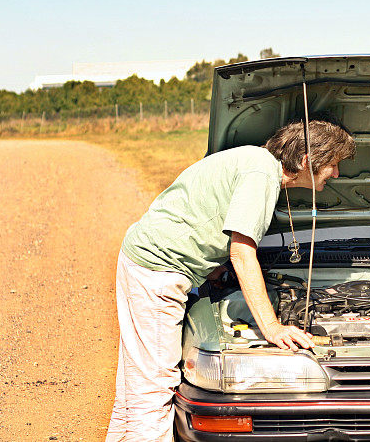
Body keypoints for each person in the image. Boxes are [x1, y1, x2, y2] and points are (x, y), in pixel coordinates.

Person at [106, 119, 356, 442]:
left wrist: (213, 269)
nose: (336, 174)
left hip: (143, 260)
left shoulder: (256, 163)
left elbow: (203, 217)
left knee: (131, 395)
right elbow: (241, 252)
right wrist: (272, 327)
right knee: (152, 396)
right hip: (158, 273)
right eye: (333, 164)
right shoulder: (261, 175)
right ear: (308, 161)